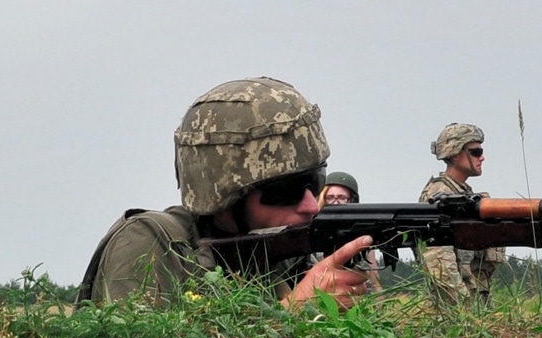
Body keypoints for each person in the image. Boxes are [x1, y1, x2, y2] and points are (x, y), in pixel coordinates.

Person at [77, 77, 372, 309]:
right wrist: (293, 312)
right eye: (287, 190)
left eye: (315, 181)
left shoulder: (279, 258)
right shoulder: (151, 243)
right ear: (224, 195)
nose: (310, 205)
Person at [418, 123, 504, 303]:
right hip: (454, 314)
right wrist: (463, 312)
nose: (482, 158)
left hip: (472, 306)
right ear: (456, 153)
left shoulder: (462, 194)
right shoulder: (439, 195)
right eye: (476, 152)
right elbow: (439, 264)